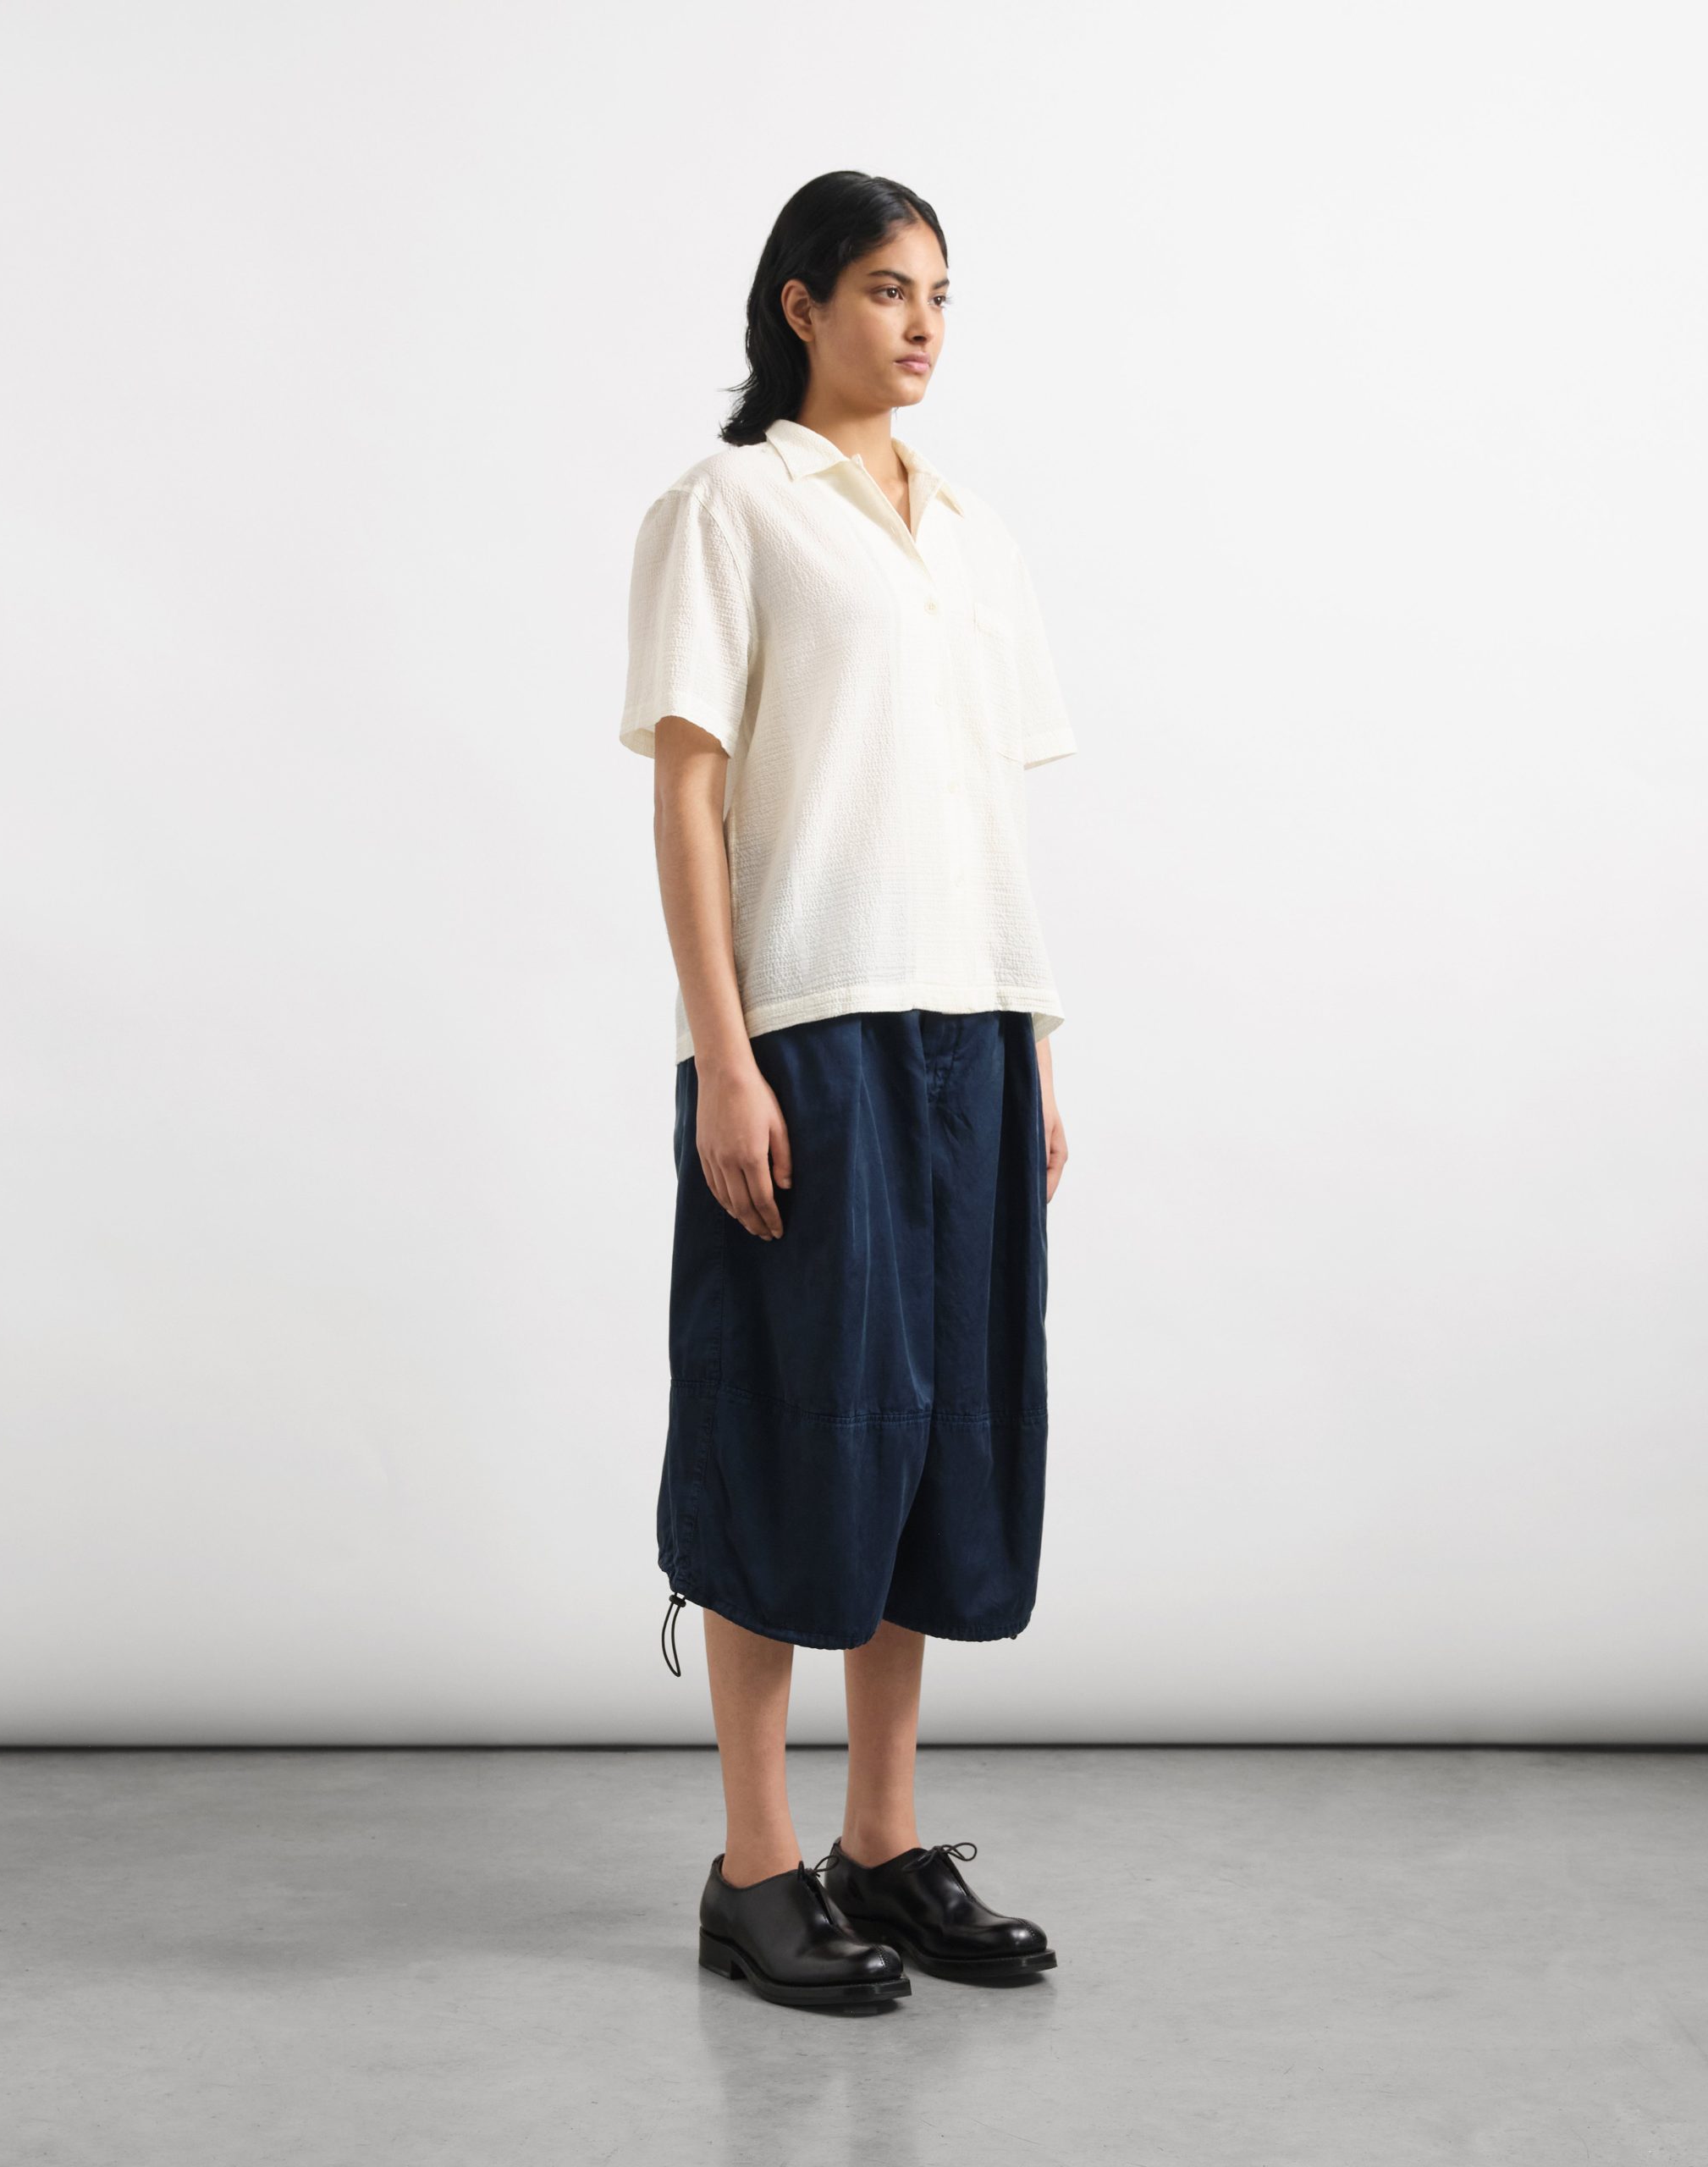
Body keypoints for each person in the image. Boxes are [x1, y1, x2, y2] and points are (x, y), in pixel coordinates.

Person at [619, 170, 1075, 2013]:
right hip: (809, 1022)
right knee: (793, 1413)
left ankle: (882, 1842)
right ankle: (755, 1868)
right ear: (800, 305)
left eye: (941, 294)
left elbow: (988, 815)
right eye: (886, 289)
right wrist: (723, 1055)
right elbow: (687, 794)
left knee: (935, 1424)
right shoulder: (730, 505)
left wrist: (1036, 1047)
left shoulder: (969, 532)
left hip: (974, 1027)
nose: (922, 325)